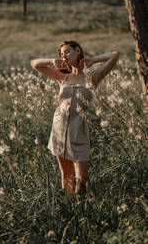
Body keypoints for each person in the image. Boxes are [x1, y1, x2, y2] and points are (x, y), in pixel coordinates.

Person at [31, 40, 119, 201]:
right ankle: (69, 209)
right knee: (66, 175)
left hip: (79, 130)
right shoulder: (61, 76)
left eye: (67, 51)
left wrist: (94, 60)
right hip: (59, 128)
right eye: (61, 53)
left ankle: (82, 208)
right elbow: (35, 64)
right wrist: (52, 61)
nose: (63, 55)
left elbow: (114, 54)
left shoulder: (93, 77)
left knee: (82, 179)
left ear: (78, 50)